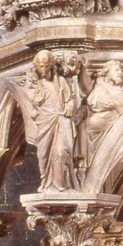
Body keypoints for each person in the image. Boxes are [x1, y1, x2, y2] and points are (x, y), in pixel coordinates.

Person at [29, 49, 78, 192]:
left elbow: (70, 98)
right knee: (42, 154)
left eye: (45, 66)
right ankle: (46, 181)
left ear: (51, 66)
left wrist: (69, 105)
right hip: (44, 122)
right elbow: (32, 102)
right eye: (40, 66)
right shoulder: (36, 84)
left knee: (60, 153)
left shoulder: (60, 81)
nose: (43, 69)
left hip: (60, 120)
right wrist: (36, 100)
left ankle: (59, 183)